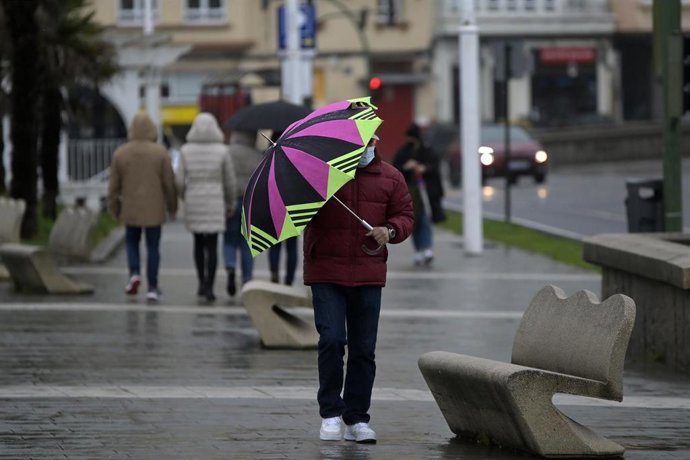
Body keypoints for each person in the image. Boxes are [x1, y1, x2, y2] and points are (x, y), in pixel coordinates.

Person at [303, 134, 414, 443]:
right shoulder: (321, 176)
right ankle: (330, 414)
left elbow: (405, 216)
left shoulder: (391, 177)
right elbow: (300, 215)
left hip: (368, 272)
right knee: (332, 340)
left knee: (364, 349)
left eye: (370, 144)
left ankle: (357, 418)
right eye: (358, 145)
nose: (365, 150)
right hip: (326, 270)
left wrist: (389, 231)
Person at [108, 111, 177, 302]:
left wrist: (114, 209)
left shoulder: (121, 153)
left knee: (131, 243)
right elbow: (169, 183)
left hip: (130, 208)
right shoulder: (160, 152)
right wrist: (172, 207)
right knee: (153, 247)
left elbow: (113, 187)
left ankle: (134, 274)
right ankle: (153, 287)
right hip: (154, 209)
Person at [176, 113, 237, 302]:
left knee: (197, 243)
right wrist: (230, 202)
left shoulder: (185, 150)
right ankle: (210, 287)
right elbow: (229, 181)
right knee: (212, 245)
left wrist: (184, 195)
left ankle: (201, 283)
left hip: (194, 198)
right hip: (215, 200)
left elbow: (178, 180)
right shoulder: (222, 150)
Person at [393, 122, 444, 266]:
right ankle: (418, 250)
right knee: (413, 222)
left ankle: (427, 249)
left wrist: (424, 168)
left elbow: (434, 167)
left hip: (426, 193)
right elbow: (396, 169)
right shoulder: (403, 152)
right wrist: (406, 167)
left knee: (425, 220)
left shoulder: (427, 150)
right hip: (410, 193)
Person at [223, 130, 263, 296]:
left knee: (229, 240)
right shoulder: (257, 154)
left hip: (232, 201)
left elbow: (225, 178)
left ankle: (231, 266)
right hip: (250, 201)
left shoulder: (228, 152)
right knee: (247, 242)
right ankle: (247, 279)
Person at [265, 130, 299, 286]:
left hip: (274, 205)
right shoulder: (295, 156)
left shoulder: (268, 157)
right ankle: (289, 279)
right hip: (293, 205)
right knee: (292, 247)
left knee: (275, 244)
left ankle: (274, 274)